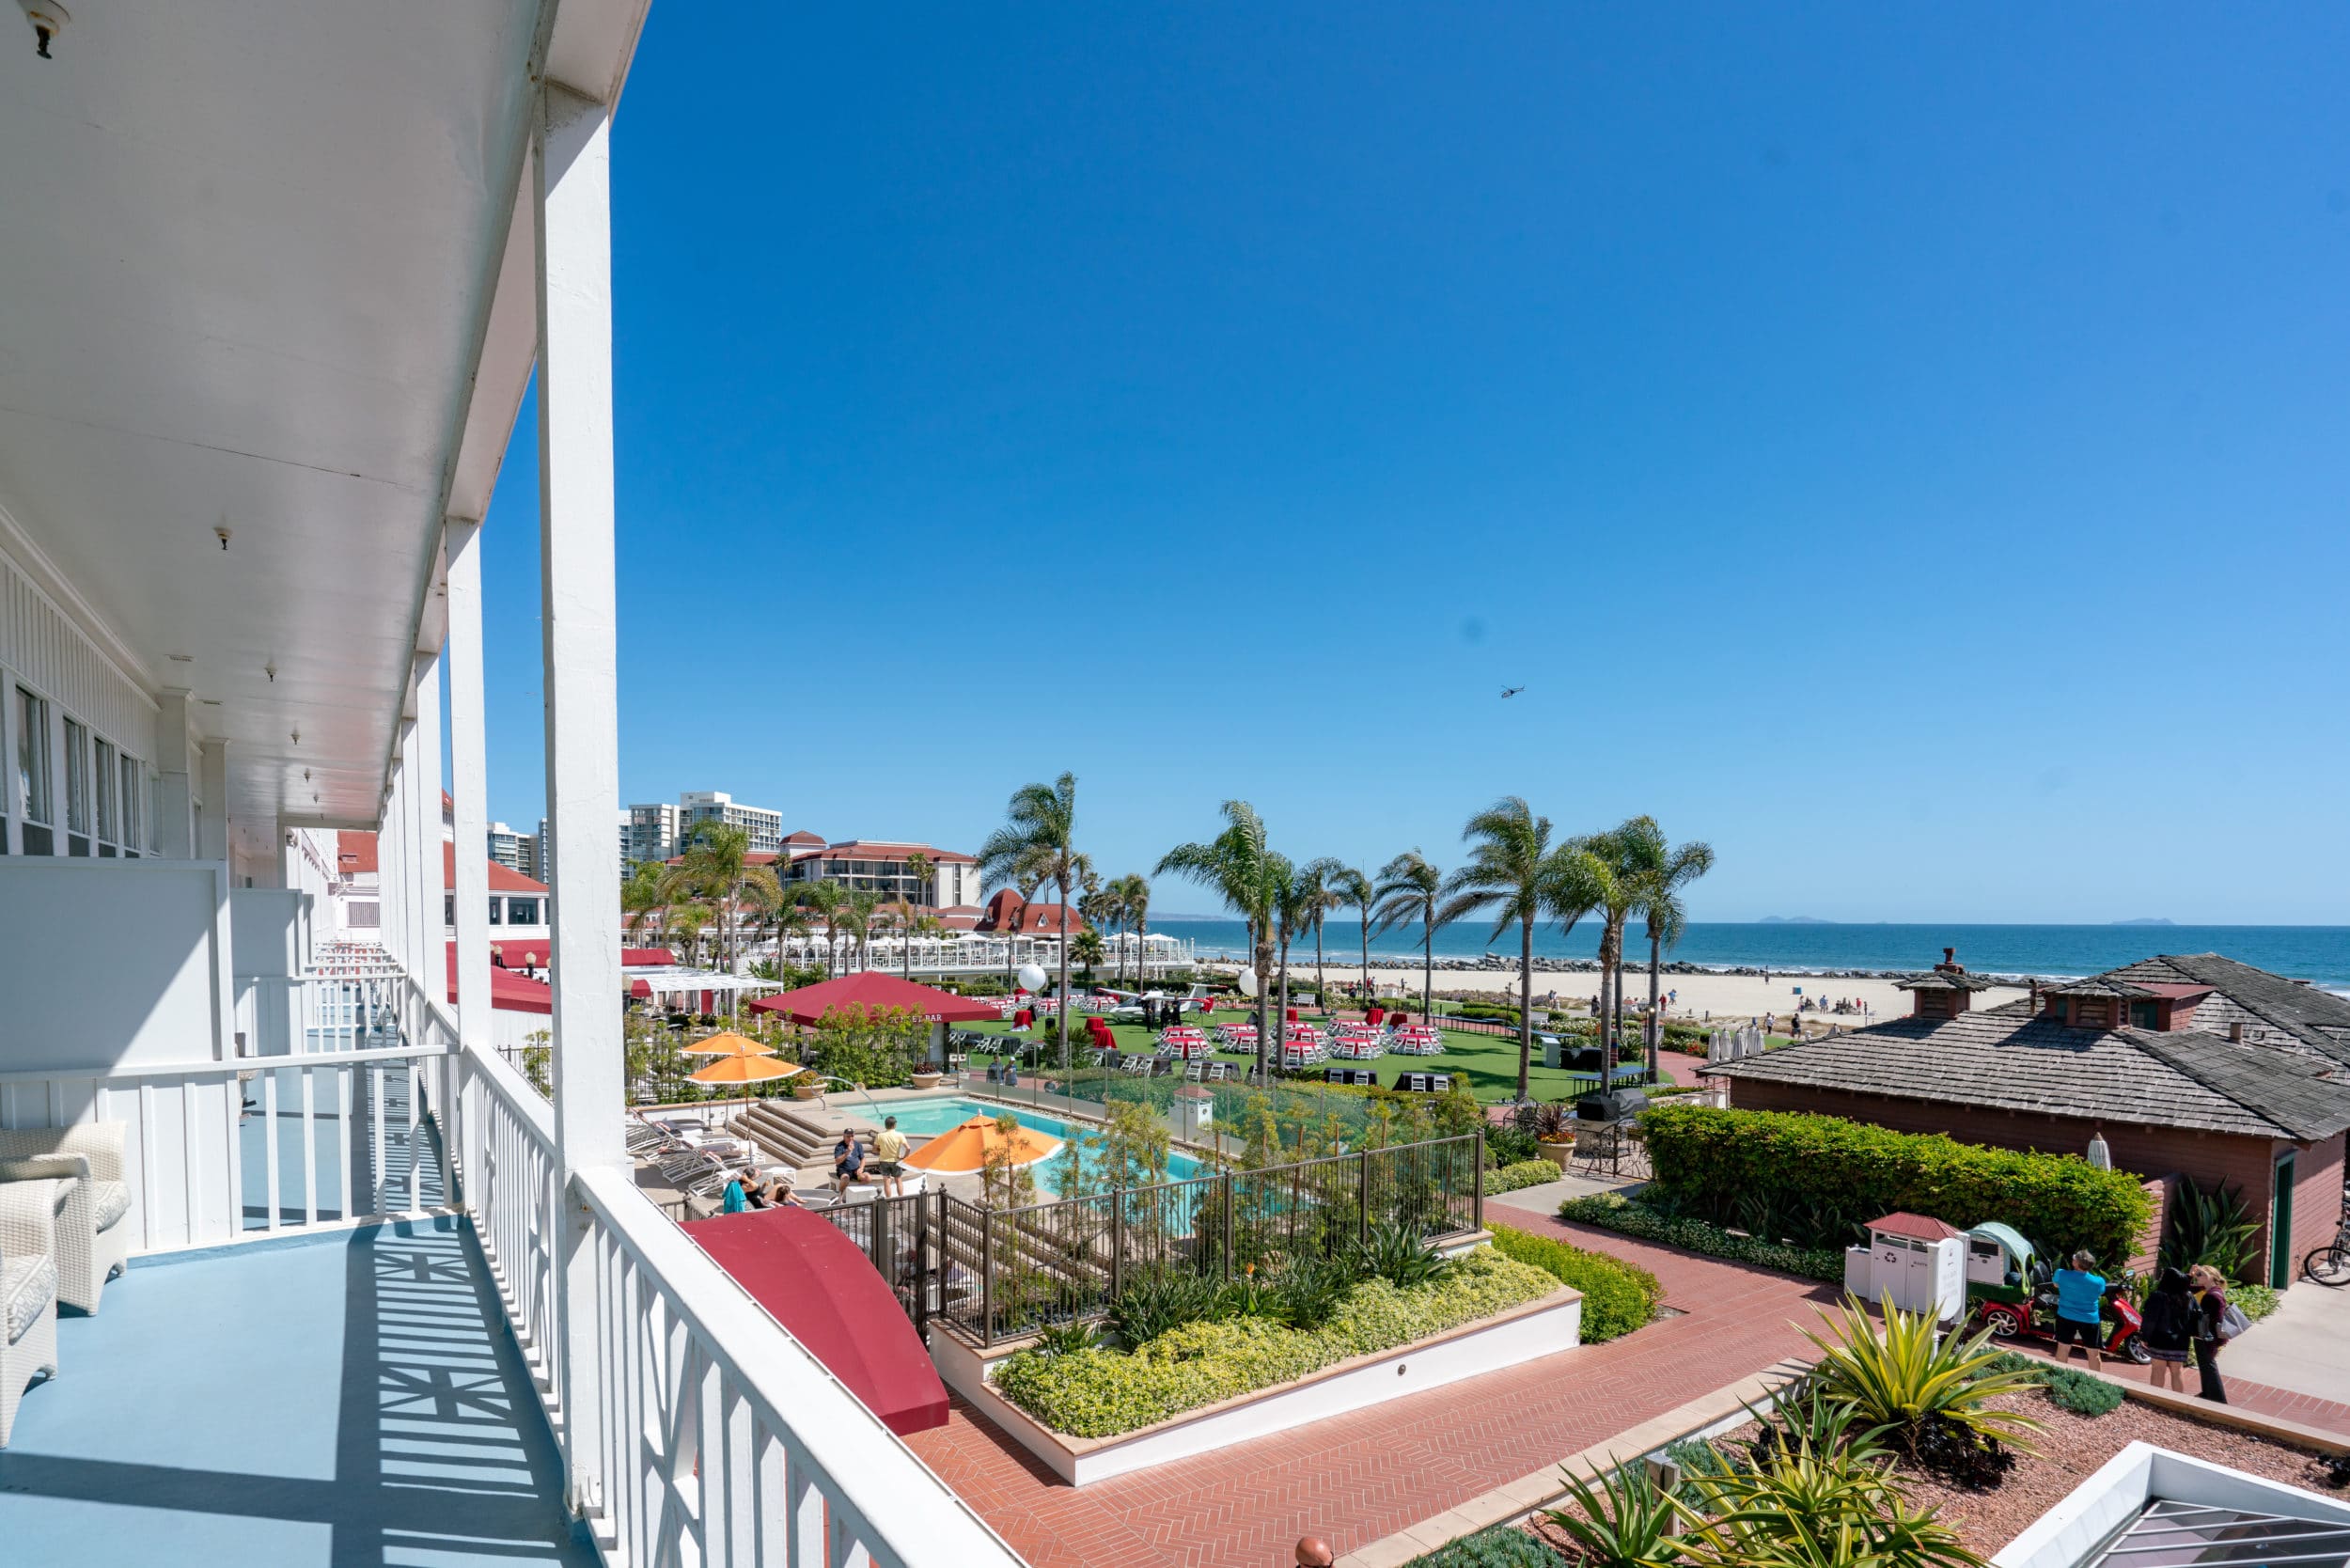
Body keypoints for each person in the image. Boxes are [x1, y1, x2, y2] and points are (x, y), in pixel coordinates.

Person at [2050, 1249, 2108, 1370]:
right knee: (2093, 1353)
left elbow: (2056, 1285)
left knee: (2063, 1347)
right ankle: (2097, 1382)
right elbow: (2101, 1292)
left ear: (2076, 1263)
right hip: (2090, 1319)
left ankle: (2060, 1376)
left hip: (2066, 1316)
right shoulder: (2099, 1281)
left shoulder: (2061, 1274)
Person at [2139, 1266, 2194, 1391]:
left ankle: (2157, 1399)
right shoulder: (2188, 1297)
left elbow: (2150, 1320)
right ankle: (2178, 1401)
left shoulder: (2158, 1296)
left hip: (2160, 1338)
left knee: (2158, 1370)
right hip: (2181, 1339)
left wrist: (2144, 1337)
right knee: (2177, 1372)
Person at [2190, 1264, 2231, 1403]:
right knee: (2205, 1365)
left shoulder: (2212, 1296)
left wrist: (2203, 1335)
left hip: (2206, 1337)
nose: (2197, 1277)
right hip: (2207, 1337)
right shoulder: (2212, 1290)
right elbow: (2185, 1288)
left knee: (2208, 1366)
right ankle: (2207, 1393)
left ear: (2211, 1277)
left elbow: (2216, 1321)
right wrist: (2190, 1275)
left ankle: (2218, 1399)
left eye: (2201, 1274)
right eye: (2197, 1275)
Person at [871, 1115, 911, 1199]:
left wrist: (880, 1150)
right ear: (894, 1125)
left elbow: (874, 1150)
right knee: (898, 1180)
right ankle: (901, 1200)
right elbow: (908, 1148)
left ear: (885, 1125)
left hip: (884, 1161)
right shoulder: (899, 1135)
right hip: (896, 1160)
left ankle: (888, 1202)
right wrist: (904, 1157)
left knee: (886, 1182)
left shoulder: (880, 1135)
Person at [831, 1130, 866, 1196]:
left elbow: (863, 1158)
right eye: (848, 1136)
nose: (850, 1138)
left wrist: (861, 1168)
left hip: (856, 1170)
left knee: (867, 1177)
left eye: (852, 1136)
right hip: (844, 1169)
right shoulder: (839, 1146)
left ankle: (856, 1193)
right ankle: (840, 1197)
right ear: (844, 1136)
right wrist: (848, 1152)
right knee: (845, 1178)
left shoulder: (858, 1145)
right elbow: (837, 1161)